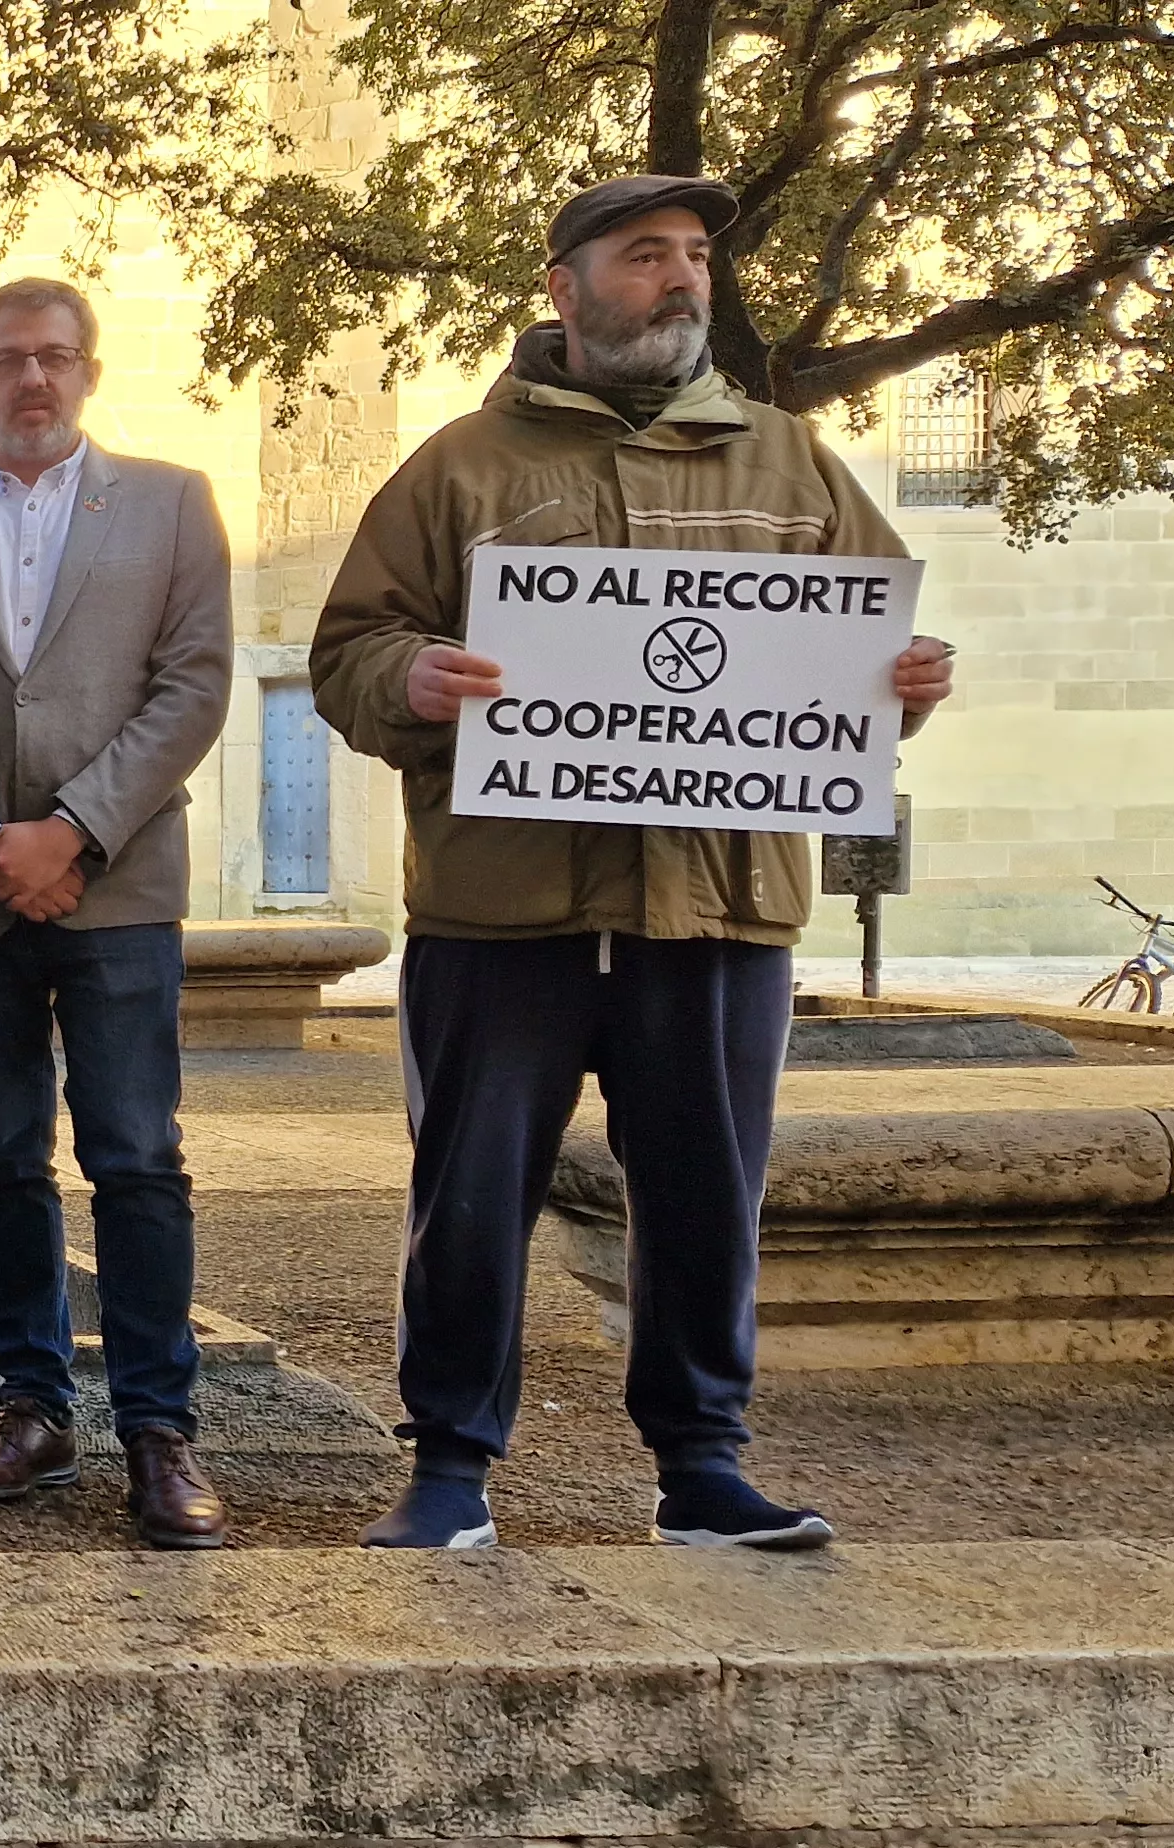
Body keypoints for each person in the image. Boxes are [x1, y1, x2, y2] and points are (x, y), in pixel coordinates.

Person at [312, 176, 956, 1551]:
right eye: (644, 254)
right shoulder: (459, 468)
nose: (679, 277)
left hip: (719, 914)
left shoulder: (793, 462)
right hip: (504, 915)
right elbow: (346, 651)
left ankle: (703, 1469)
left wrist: (903, 681)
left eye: (691, 257)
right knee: (470, 1200)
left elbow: (868, 658)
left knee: (707, 1200)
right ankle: (450, 1470)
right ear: (565, 286)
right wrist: (411, 675)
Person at [0, 277, 240, 1549]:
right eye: (7, 360)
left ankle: (158, 1428)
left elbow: (192, 688)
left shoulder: (175, 505)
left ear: (89, 372)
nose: (33, 379)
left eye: (55, 358)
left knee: (136, 1156)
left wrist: (72, 829)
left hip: (119, 886)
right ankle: (32, 1405)